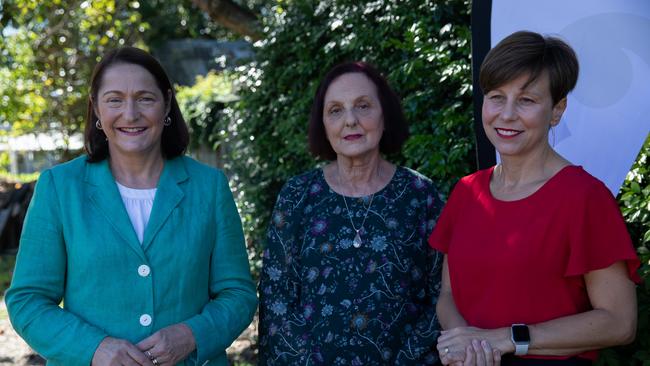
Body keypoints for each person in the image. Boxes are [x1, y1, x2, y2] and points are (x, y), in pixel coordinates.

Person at [5, 47, 257, 366]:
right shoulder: (59, 187)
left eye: (144, 98)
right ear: (96, 108)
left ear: (166, 103)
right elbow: (28, 301)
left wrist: (192, 334)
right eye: (114, 99)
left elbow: (238, 294)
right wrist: (95, 348)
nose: (130, 113)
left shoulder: (209, 187)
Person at [429, 31, 641, 366]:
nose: (507, 114)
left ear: (557, 110)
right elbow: (448, 294)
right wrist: (469, 345)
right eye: (497, 97)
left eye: (526, 100)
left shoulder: (584, 197)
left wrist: (507, 339)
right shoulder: (467, 192)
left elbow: (620, 322)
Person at [257, 61, 444, 365]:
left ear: (385, 115)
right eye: (336, 110)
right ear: (323, 124)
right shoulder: (296, 196)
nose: (350, 120)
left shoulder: (421, 195)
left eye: (363, 106)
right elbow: (276, 300)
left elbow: (442, 297)